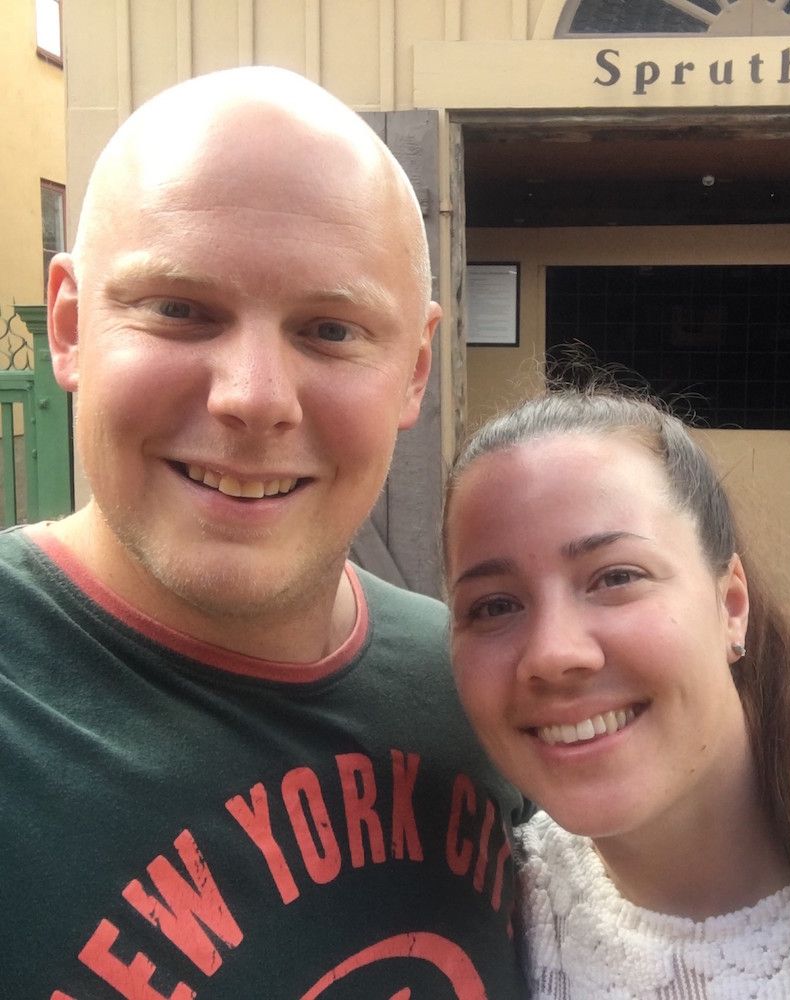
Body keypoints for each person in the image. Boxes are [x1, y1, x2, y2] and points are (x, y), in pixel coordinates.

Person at [0, 67, 529, 999]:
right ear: (72, 326)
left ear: (415, 369)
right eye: (179, 311)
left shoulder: (485, 688)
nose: (252, 397)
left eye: (330, 329)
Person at [442, 386, 790, 1000]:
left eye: (616, 577)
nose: (553, 653)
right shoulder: (486, 912)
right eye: (493, 606)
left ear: (731, 604)